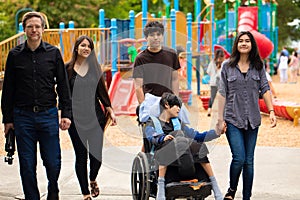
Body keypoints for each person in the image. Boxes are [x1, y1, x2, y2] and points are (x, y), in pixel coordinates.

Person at [1, 12, 72, 200]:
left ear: (43, 29)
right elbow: (8, 89)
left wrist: (66, 113)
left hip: (48, 115)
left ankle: (53, 190)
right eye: (30, 26)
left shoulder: (53, 53)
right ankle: (32, 197)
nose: (34, 30)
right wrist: (7, 120)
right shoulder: (14, 55)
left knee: (53, 161)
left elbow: (63, 85)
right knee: (26, 162)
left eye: (37, 26)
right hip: (22, 117)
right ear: (24, 29)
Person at [216, 31, 277, 200]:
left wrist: (271, 111)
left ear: (252, 45)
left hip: (253, 119)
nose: (244, 43)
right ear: (236, 44)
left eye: (247, 41)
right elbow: (222, 93)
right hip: (232, 118)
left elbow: (265, 88)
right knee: (239, 158)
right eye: (241, 41)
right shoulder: (227, 66)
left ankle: (247, 197)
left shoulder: (259, 66)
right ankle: (232, 189)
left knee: (249, 161)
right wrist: (220, 120)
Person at [145, 92, 227, 200]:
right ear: (166, 105)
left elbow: (197, 136)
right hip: (162, 155)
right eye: (177, 106)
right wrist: (162, 138)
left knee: (198, 145)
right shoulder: (152, 122)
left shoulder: (178, 123)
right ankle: (161, 186)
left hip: (183, 157)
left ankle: (214, 184)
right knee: (174, 138)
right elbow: (151, 135)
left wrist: (216, 132)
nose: (179, 109)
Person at [65, 35, 117, 200]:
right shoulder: (67, 69)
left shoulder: (95, 69)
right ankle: (85, 193)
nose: (86, 48)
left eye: (89, 46)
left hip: (95, 118)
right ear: (77, 48)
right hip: (75, 120)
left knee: (97, 157)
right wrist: (62, 113)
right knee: (81, 156)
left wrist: (111, 111)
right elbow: (62, 93)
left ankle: (92, 178)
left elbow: (102, 92)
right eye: (83, 45)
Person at [133, 20, 180, 104]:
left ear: (162, 36)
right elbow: (138, 86)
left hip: (168, 101)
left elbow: (175, 79)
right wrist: (143, 106)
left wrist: (176, 100)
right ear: (146, 38)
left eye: (158, 34)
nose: (155, 38)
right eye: (152, 35)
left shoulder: (172, 54)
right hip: (150, 101)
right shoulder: (140, 58)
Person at [206, 49, 225, 116]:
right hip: (221, 83)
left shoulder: (212, 62)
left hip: (213, 82)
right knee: (223, 97)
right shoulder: (224, 63)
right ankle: (222, 112)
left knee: (212, 97)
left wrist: (213, 74)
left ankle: (209, 110)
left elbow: (208, 71)